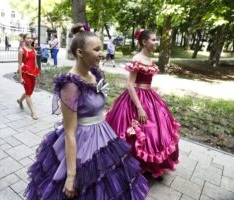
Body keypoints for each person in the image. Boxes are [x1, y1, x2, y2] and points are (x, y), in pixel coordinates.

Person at [24, 24, 149, 200]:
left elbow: (98, 106)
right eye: (97, 49)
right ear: (81, 53)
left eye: (102, 48)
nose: (101, 53)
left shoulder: (95, 74)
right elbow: (70, 132)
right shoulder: (70, 84)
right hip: (81, 141)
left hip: (104, 136)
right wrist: (71, 176)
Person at [106, 29, 180, 179]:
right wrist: (139, 108)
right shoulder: (137, 58)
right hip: (136, 99)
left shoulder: (150, 60)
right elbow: (130, 85)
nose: (156, 42)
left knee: (156, 130)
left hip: (150, 97)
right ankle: (135, 166)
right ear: (144, 42)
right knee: (136, 132)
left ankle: (152, 166)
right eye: (153, 40)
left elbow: (146, 82)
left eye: (156, 39)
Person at [17, 33, 40, 120]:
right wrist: (20, 77)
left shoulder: (34, 50)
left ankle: (20, 100)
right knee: (28, 93)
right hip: (25, 73)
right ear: (24, 40)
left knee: (29, 91)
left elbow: (35, 63)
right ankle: (33, 112)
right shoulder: (21, 50)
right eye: (28, 38)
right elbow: (19, 64)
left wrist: (37, 74)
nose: (30, 39)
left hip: (33, 73)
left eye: (31, 38)